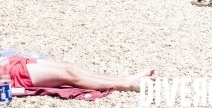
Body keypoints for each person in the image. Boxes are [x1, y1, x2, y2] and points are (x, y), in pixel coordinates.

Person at [0, 54, 155, 97]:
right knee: (70, 74)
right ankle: (126, 85)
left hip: (10, 63)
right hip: (11, 76)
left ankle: (126, 78)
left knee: (72, 67)